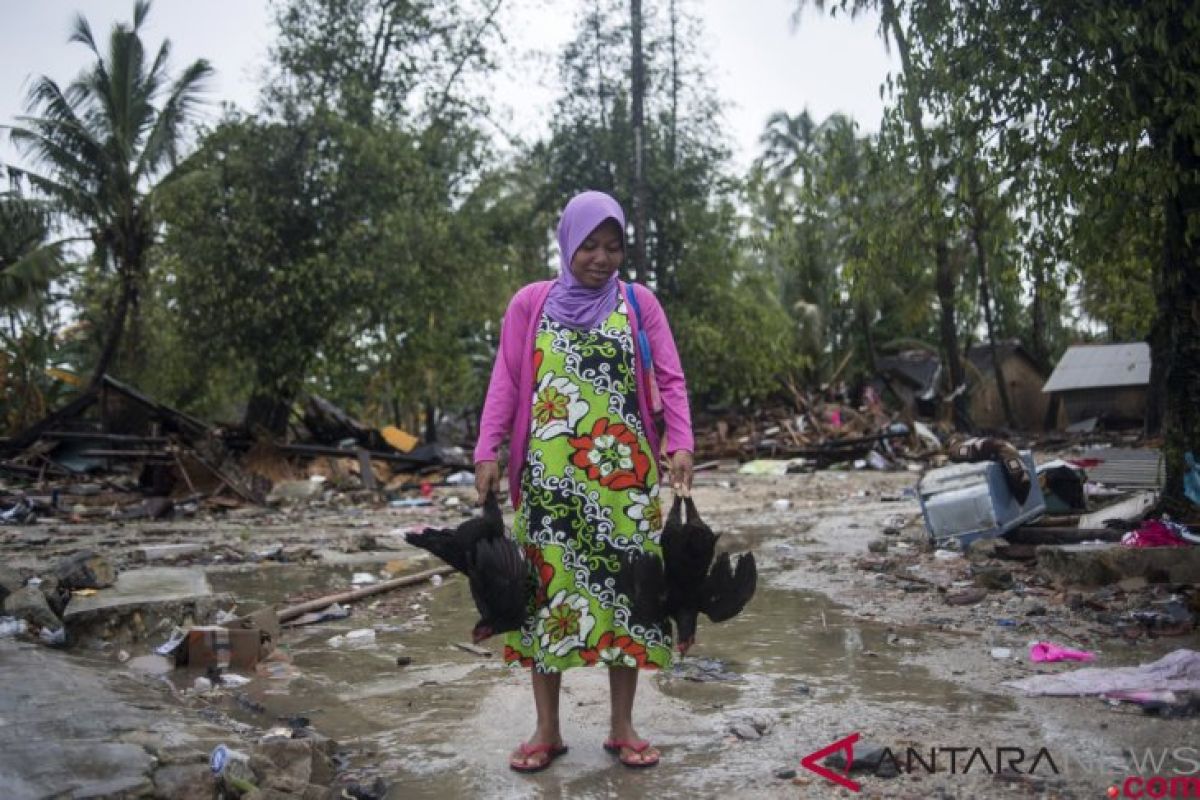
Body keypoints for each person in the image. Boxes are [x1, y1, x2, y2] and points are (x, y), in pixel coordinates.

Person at [473, 190, 694, 772]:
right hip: (548, 484)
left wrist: (682, 444)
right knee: (546, 600)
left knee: (630, 599)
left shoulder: (639, 303)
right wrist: (487, 450)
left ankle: (622, 726)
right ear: (568, 241)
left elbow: (670, 379)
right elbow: (507, 382)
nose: (601, 257)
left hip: (626, 485)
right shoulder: (530, 304)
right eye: (590, 245)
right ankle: (546, 730)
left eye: (613, 245)